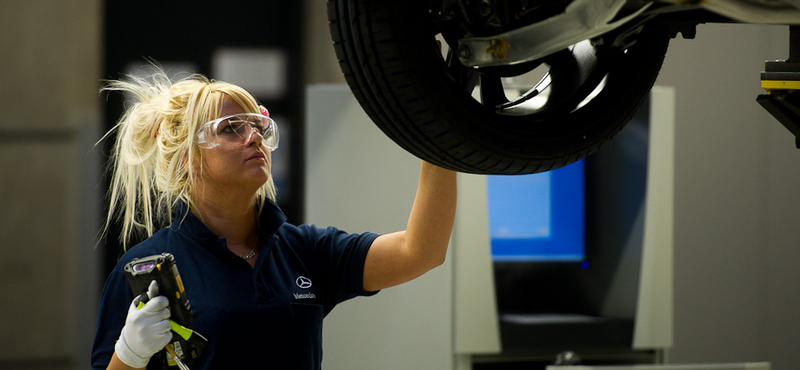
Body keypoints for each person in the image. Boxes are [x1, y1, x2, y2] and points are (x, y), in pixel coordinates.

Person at [90, 68, 457, 370]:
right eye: (231, 127)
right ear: (187, 157)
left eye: (257, 126)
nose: (254, 137)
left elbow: (421, 251)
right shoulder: (144, 268)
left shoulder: (305, 250)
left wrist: (437, 137)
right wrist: (130, 355)